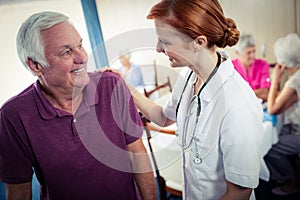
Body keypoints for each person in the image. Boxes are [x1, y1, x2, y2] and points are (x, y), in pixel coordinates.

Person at [0, 11, 156, 200]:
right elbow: (18, 191)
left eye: (80, 46)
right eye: (66, 52)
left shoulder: (112, 86)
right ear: (35, 66)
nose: (82, 57)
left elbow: (136, 155)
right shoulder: (13, 116)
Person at [125, 0, 264, 199]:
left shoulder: (238, 104)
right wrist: (126, 87)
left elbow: (238, 194)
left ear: (199, 42)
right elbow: (164, 117)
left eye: (165, 41)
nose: (158, 48)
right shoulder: (188, 77)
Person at [264, 33, 300, 195]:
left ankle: (290, 181)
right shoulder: (296, 76)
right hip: (295, 125)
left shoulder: (294, 82)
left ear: (284, 61)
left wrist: (275, 80)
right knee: (277, 132)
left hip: (298, 129)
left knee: (270, 146)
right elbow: (286, 99)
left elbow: (272, 109)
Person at [232, 34, 271, 102]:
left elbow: (265, 93)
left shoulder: (263, 64)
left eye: (254, 51)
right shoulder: (231, 66)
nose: (253, 56)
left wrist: (242, 95)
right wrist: (257, 93)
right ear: (237, 53)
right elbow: (232, 94)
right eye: (249, 53)